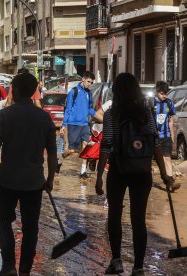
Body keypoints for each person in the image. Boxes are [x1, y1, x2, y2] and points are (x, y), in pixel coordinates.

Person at [95, 73, 173, 276]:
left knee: (115, 215)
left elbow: (107, 143)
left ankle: (117, 260)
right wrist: (164, 174)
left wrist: (99, 176)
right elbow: (155, 143)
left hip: (119, 170)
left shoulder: (113, 114)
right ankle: (138, 267)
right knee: (138, 219)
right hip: (142, 171)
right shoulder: (145, 113)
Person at [0, 72, 57, 276]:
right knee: (30, 227)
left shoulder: (6, 115)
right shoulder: (44, 118)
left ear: (15, 90)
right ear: (34, 92)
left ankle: (8, 266)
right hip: (34, 181)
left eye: (12, 88)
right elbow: (52, 152)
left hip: (8, 179)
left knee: (4, 221)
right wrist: (50, 179)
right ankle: (24, 270)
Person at [61, 71, 96, 179]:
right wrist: (64, 124)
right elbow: (68, 109)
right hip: (73, 124)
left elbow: (89, 108)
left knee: (86, 147)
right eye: (88, 81)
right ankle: (59, 161)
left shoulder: (89, 93)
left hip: (84, 124)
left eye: (91, 82)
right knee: (71, 151)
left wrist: (99, 115)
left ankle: (82, 172)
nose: (89, 84)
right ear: (83, 79)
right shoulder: (73, 91)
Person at [152, 81, 180, 192]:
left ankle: (170, 183)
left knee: (167, 158)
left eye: (166, 93)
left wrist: (172, 135)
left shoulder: (169, 103)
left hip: (166, 136)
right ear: (157, 92)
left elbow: (171, 120)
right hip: (153, 137)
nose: (164, 96)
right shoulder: (151, 103)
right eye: (162, 93)